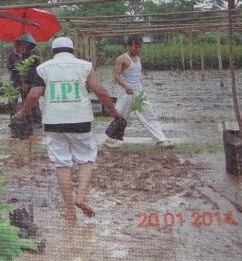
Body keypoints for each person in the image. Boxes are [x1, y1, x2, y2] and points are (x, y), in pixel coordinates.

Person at [15, 37, 121, 221]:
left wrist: (22, 113)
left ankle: (70, 211)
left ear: (53, 52)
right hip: (80, 121)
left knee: (61, 163)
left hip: (54, 122)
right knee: (86, 159)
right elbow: (101, 92)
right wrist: (115, 113)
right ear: (72, 50)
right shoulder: (84, 66)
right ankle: (81, 197)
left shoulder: (44, 68)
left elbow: (34, 95)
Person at [102, 35, 173, 149]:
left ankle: (161, 140)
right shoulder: (122, 59)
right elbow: (116, 75)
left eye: (140, 47)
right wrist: (125, 86)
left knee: (149, 114)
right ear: (130, 46)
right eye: (137, 47)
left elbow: (136, 74)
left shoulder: (138, 59)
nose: (139, 49)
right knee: (120, 116)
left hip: (139, 92)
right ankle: (110, 140)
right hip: (127, 93)